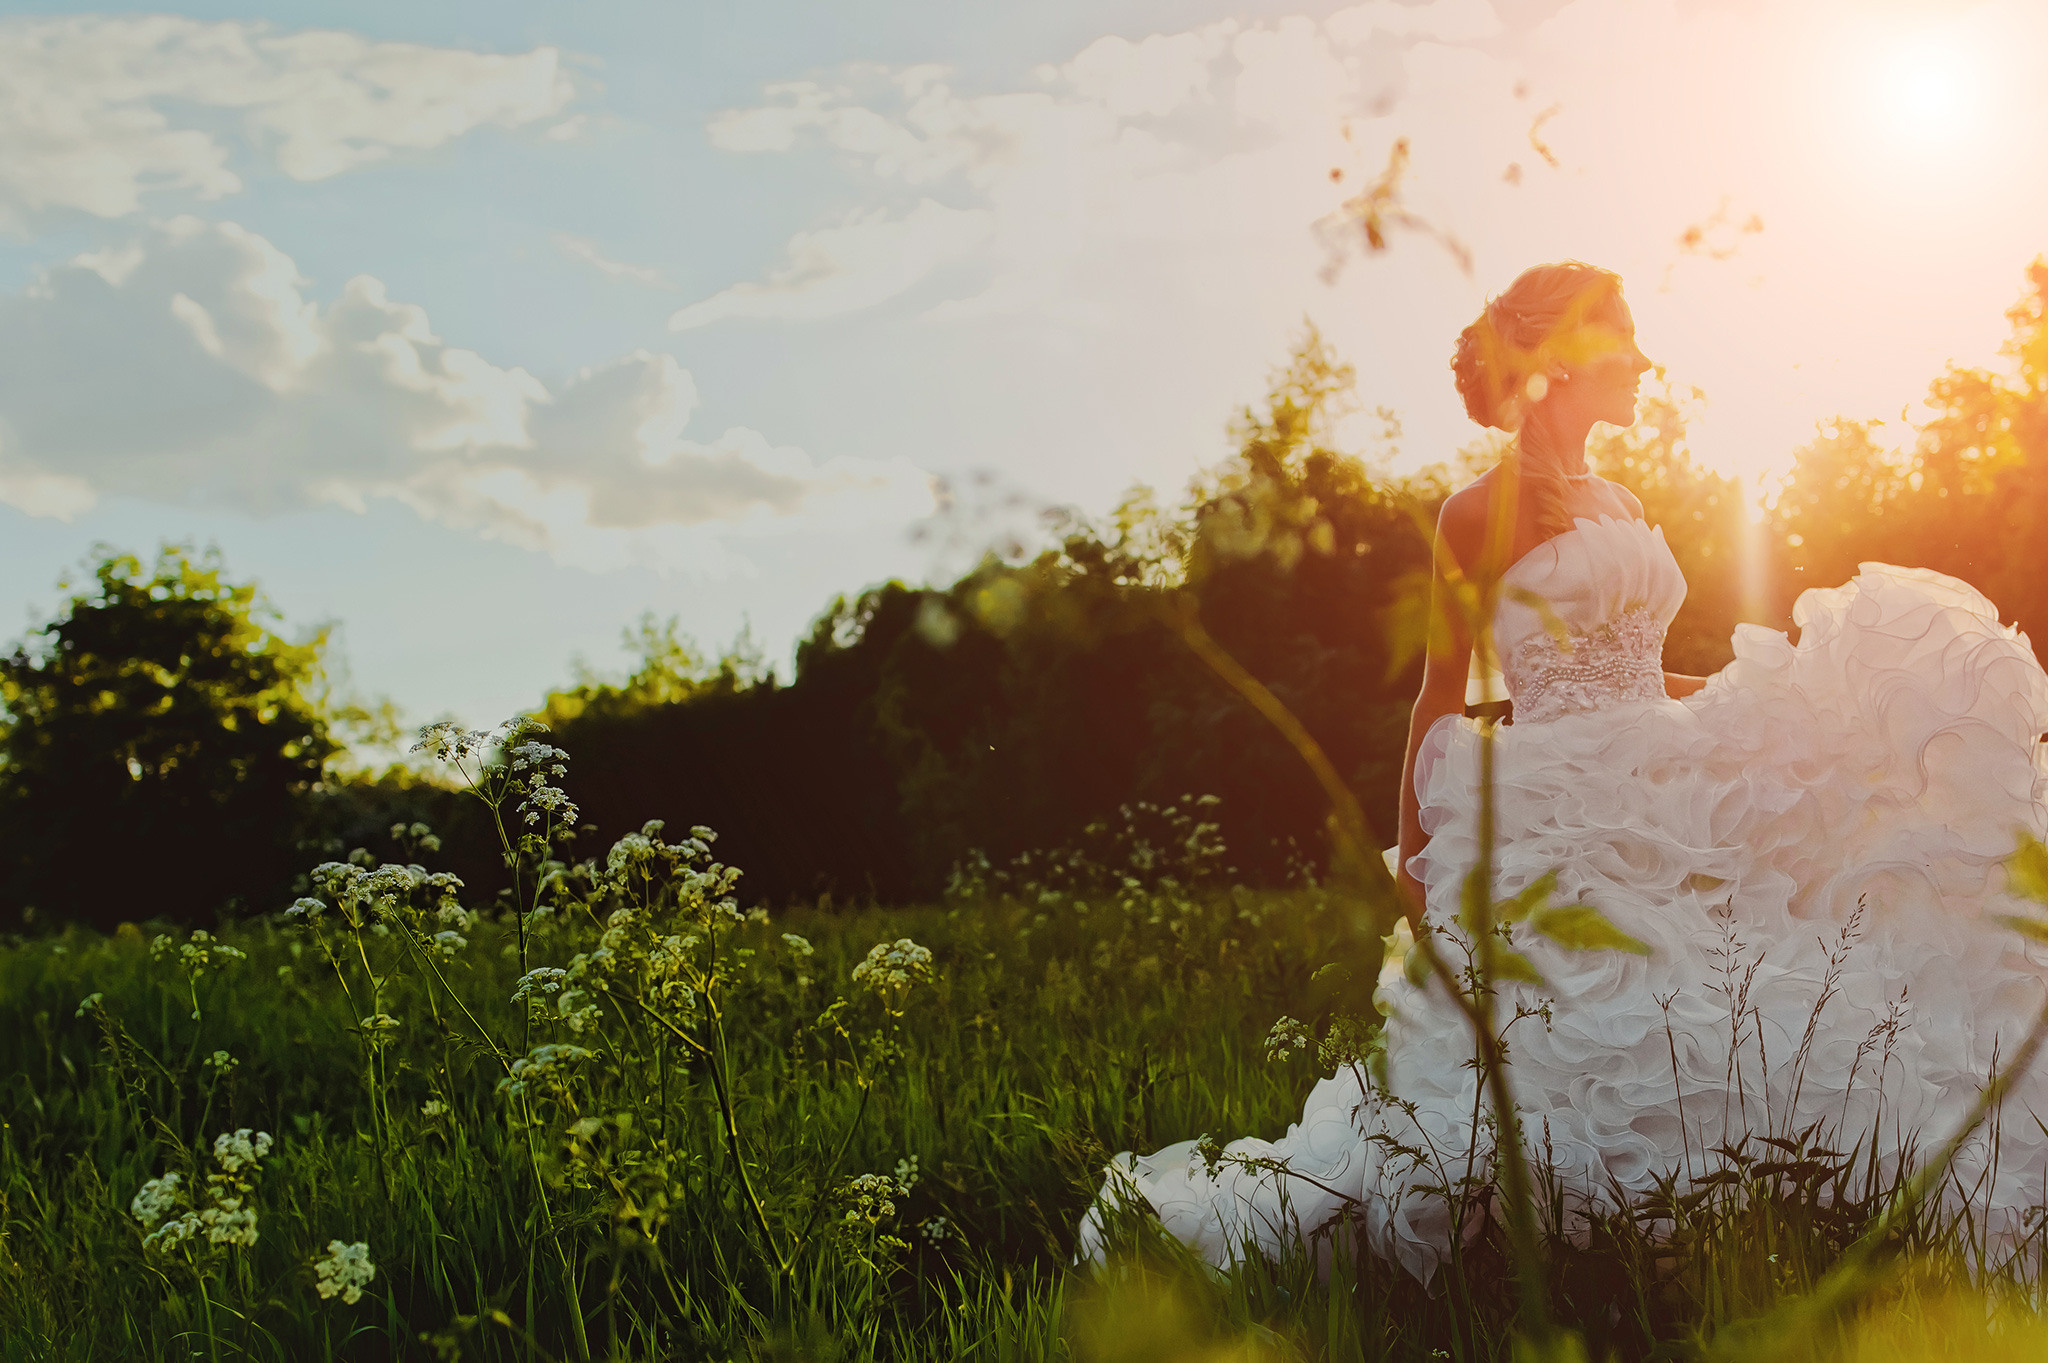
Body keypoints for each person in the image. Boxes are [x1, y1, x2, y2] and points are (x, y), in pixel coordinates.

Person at [1078, 261, 2048, 1282]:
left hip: (1665, 776)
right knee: (1598, 1014)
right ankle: (1592, 1244)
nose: (1642, 363)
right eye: (1623, 342)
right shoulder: (1473, 513)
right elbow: (1438, 691)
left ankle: (1767, 1214)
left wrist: (1761, 689)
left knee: (1737, 984)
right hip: (1563, 800)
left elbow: (1636, 668)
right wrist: (1412, 862)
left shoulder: (1621, 497)